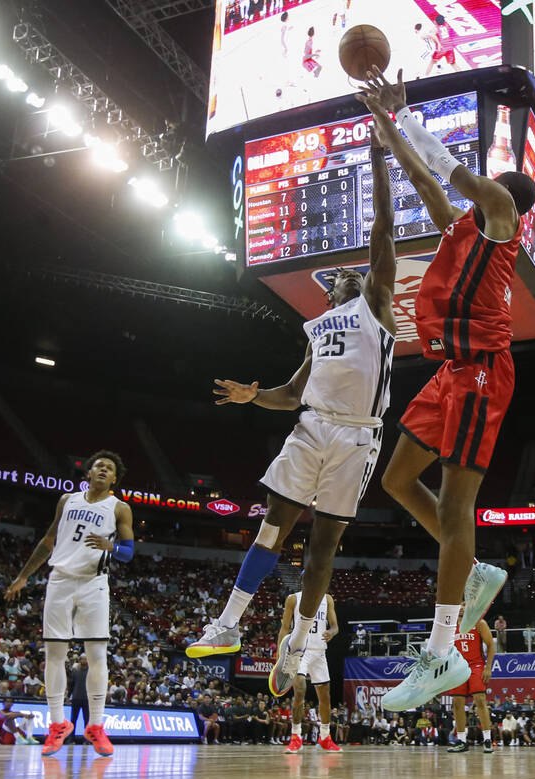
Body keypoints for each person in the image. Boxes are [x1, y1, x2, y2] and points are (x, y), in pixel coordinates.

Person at [187, 126, 398, 706]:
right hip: (311, 428)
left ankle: (299, 645)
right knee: (273, 526)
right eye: (339, 280)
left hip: (358, 439)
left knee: (322, 549)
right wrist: (253, 396)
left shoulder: (377, 308)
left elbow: (382, 233)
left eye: (355, 275)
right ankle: (227, 624)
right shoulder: (318, 331)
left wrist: (379, 157)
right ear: (328, 297)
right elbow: (290, 393)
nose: (347, 278)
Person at [357, 67, 535, 711]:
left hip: (483, 372)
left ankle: (441, 655)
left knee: (459, 506)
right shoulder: (464, 226)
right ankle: (477, 570)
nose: (478, 194)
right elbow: (426, 177)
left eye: (490, 191)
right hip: (450, 372)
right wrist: (386, 128)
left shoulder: (501, 221)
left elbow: (452, 171)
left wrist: (404, 112)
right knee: (397, 479)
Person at [6, 451, 135, 758]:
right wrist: (23, 577)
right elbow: (48, 540)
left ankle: (96, 726)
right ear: (88, 472)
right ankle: (57, 724)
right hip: (60, 579)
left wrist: (111, 545)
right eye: (99, 466)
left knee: (97, 654)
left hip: (94, 583)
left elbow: (128, 553)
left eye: (110, 469)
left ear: (114, 479)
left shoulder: (120, 508)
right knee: (54, 654)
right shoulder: (67, 500)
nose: (103, 470)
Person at [279, 589, 342, 753]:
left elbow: (335, 627)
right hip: (299, 650)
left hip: (319, 651)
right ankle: (296, 736)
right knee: (300, 690)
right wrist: (280, 656)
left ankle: (325, 736)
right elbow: (285, 628)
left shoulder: (327, 599)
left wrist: (332, 633)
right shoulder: (293, 599)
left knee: (325, 696)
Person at [445, 607, 496, 754]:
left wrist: (488, 667)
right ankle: (461, 740)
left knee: (480, 699)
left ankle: (487, 739)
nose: (461, 608)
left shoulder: (479, 622)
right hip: (457, 666)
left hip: (476, 665)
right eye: (459, 605)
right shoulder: (450, 626)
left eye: (465, 605)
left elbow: (491, 645)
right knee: (457, 703)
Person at [67, 654, 89, 744]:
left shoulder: (90, 672)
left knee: (87, 719)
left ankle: (87, 739)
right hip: (76, 697)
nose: (84, 661)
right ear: (80, 660)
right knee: (73, 719)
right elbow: (71, 685)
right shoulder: (75, 671)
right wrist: (68, 696)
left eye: (86, 659)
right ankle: (71, 738)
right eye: (83, 659)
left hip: (87, 698)